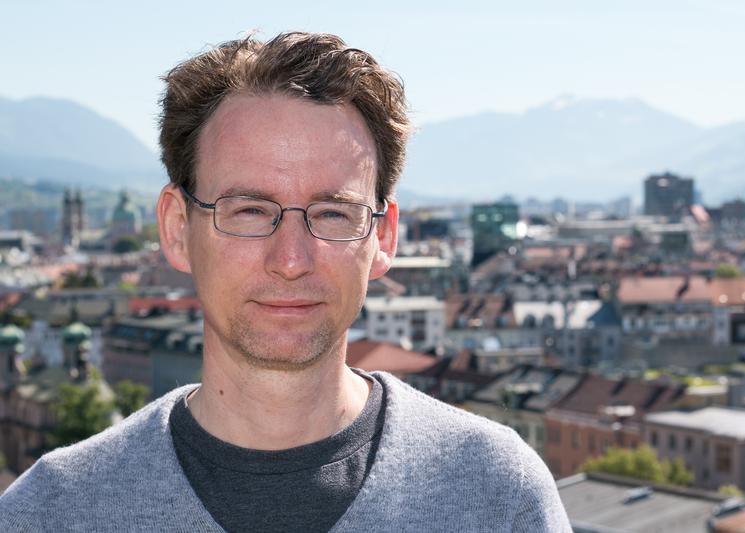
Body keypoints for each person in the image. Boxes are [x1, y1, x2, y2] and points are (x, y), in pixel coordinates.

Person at [0, 32, 571, 531]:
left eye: (332, 213)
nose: (291, 259)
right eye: (248, 211)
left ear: (384, 237)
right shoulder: (49, 513)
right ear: (177, 230)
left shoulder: (498, 496)